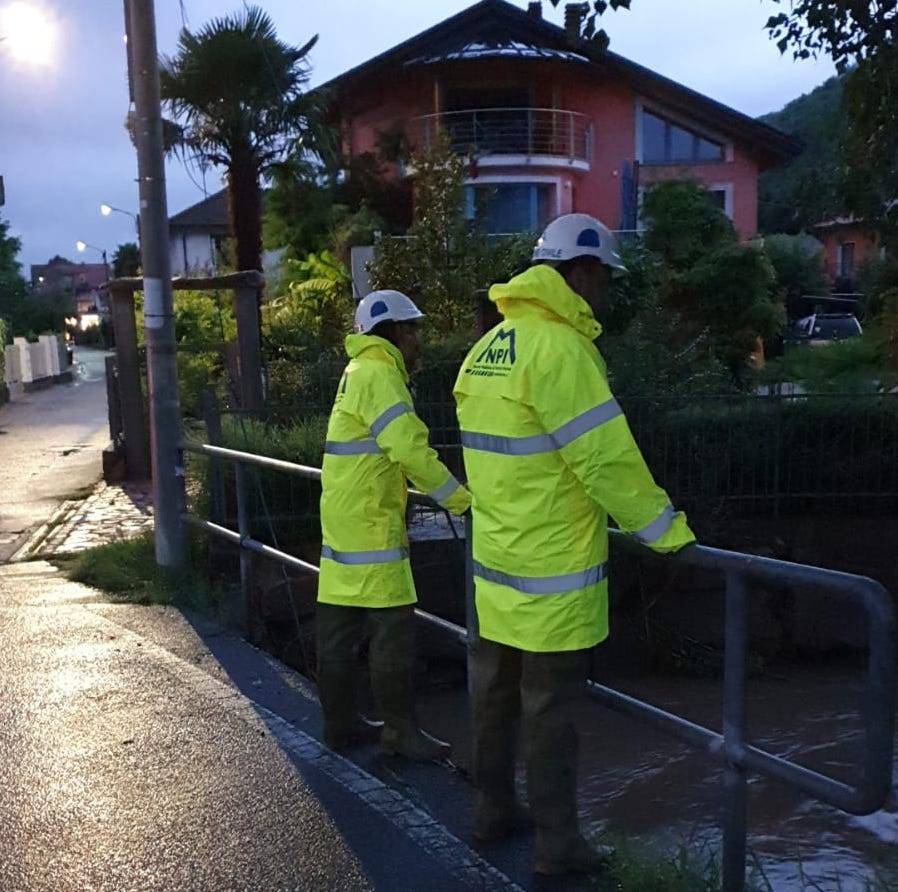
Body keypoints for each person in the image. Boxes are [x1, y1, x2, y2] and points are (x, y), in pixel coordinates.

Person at [454, 214, 696, 875]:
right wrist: (666, 533)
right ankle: (557, 846)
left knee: (494, 699)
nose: (608, 295)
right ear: (582, 273)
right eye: (606, 281)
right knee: (551, 714)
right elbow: (607, 460)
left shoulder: (488, 348)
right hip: (553, 576)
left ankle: (491, 810)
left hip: (496, 569)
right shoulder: (561, 352)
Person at [317, 289, 471, 761]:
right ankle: (400, 733)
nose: (419, 340)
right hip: (372, 525)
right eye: (415, 329)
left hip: (343, 521)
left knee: (338, 631)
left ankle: (340, 726)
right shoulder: (381, 375)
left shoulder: (355, 371)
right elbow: (408, 450)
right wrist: (461, 500)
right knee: (393, 633)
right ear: (398, 331)